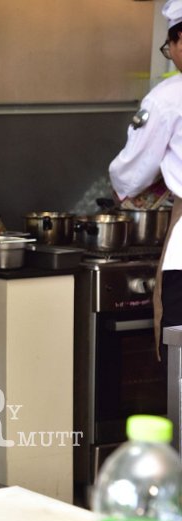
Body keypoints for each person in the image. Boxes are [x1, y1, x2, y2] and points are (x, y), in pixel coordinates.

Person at [109, 0, 182, 358]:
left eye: (169, 47)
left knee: (178, 341)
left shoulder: (168, 98)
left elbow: (133, 170)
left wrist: (124, 191)